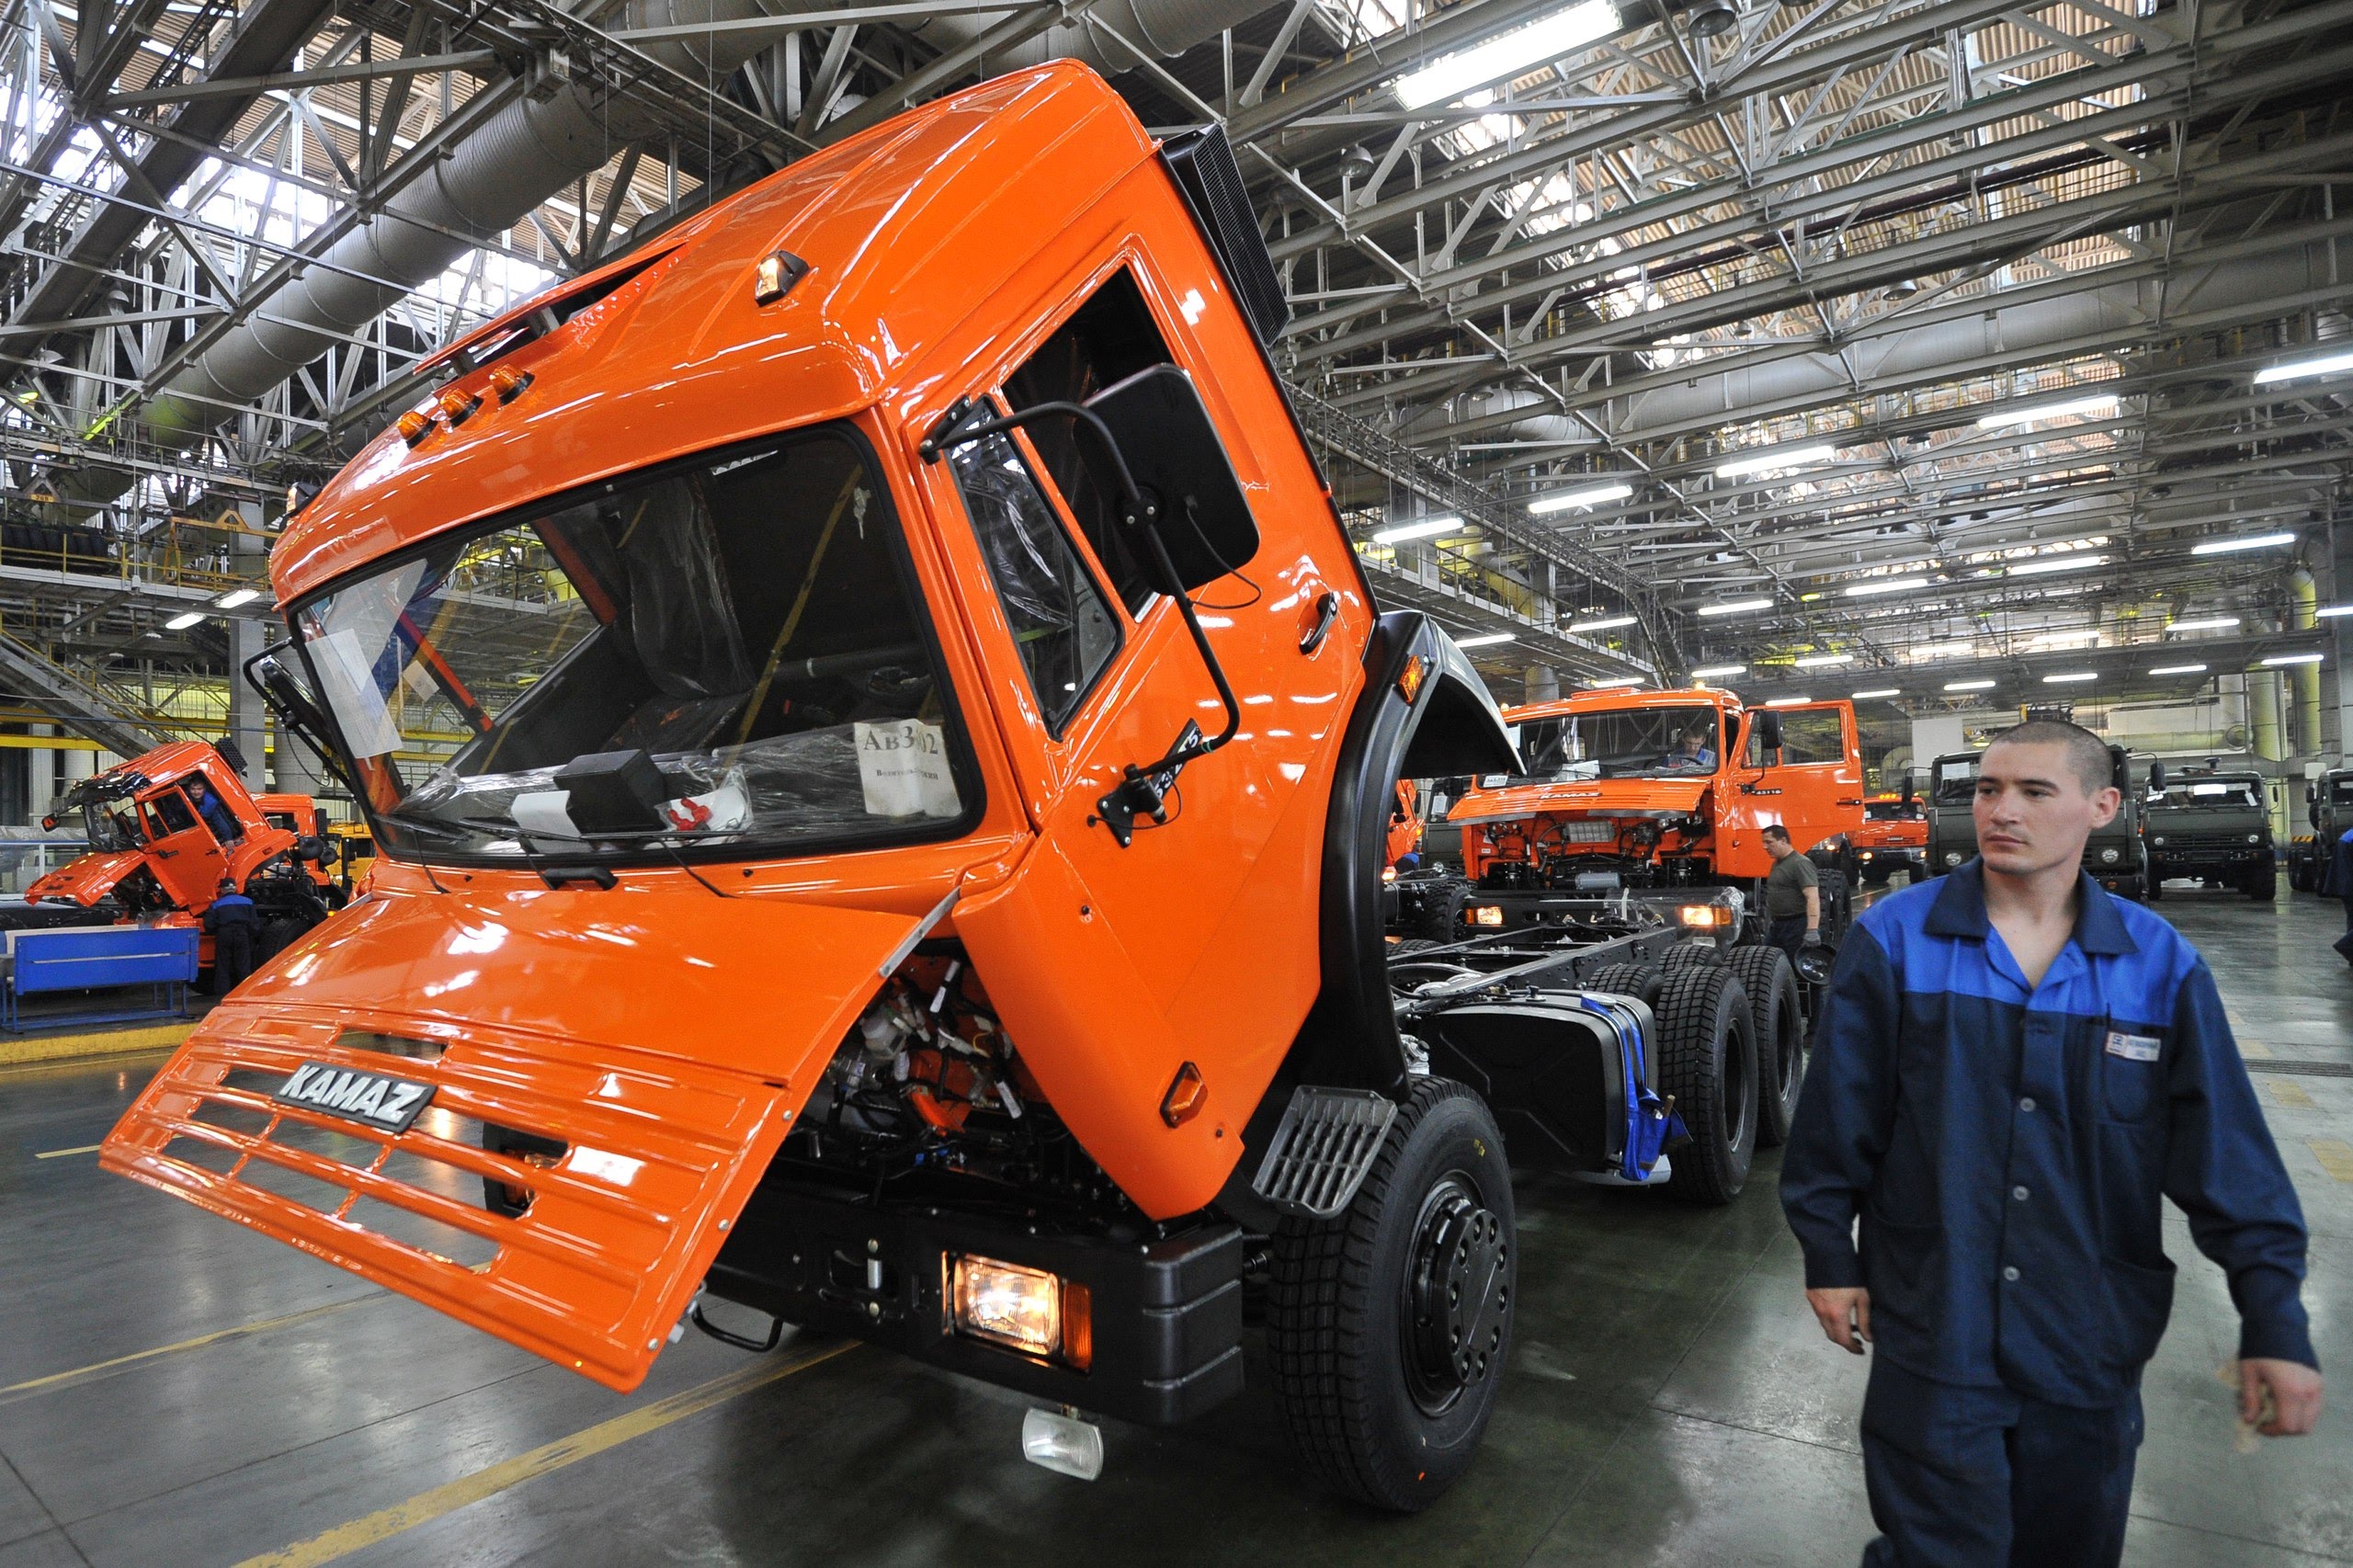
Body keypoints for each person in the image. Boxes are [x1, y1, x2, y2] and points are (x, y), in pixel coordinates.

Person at [1780, 719, 2320, 1568]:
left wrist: (2275, 1319)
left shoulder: (2160, 967)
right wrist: (1827, 1254)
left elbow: (2229, 1159)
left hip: (2086, 1339)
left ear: (2103, 807)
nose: (2002, 811)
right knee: (1936, 1554)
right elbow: (1835, 1121)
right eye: (1988, 790)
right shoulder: (1896, 941)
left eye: (2035, 792)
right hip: (1936, 1327)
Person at [1760, 823, 1822, 969]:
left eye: (1769, 842)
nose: (1765, 847)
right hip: (1779, 925)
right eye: (1764, 843)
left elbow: (1812, 897)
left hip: (1797, 925)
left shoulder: (1800, 863)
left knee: (1798, 967)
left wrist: (1812, 930)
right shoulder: (1777, 864)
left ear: (1783, 840)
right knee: (1769, 962)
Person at [203, 878, 260, 993]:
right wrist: (251, 936)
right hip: (242, 934)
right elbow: (254, 924)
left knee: (222, 966)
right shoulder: (248, 902)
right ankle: (245, 990)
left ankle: (222, 993)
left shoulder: (216, 904)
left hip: (224, 934)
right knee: (243, 965)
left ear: (222, 890)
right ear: (234, 888)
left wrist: (215, 932)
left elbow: (209, 924)